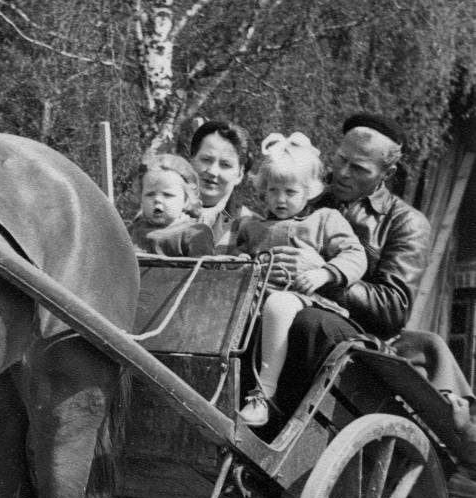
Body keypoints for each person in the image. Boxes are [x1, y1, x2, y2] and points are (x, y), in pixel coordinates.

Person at [266, 112, 476, 461]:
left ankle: (279, 434)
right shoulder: (305, 197)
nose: (343, 173)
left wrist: (326, 275)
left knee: (311, 323)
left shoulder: (405, 222)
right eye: (340, 159)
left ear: (386, 173)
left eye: (359, 168)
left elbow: (393, 308)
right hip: (287, 309)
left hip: (357, 338)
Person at [234, 132, 367, 426]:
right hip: (255, 297)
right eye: (273, 190)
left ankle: (263, 394)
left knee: (279, 305)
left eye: (290, 192)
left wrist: (325, 272)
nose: (280, 199)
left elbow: (355, 255)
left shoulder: (323, 220)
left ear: (310, 191)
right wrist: (241, 263)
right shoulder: (251, 226)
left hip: (302, 297)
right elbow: (234, 258)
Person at [188, 119, 262, 251]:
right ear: (191, 160)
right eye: (206, 159)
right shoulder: (161, 209)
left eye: (225, 165)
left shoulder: (252, 226)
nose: (212, 171)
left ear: (240, 174)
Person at [129, 153, 215, 256]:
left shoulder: (194, 233)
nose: (157, 199)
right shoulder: (132, 232)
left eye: (167, 195)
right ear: (141, 197)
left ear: (186, 200)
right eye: (150, 194)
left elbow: (203, 265)